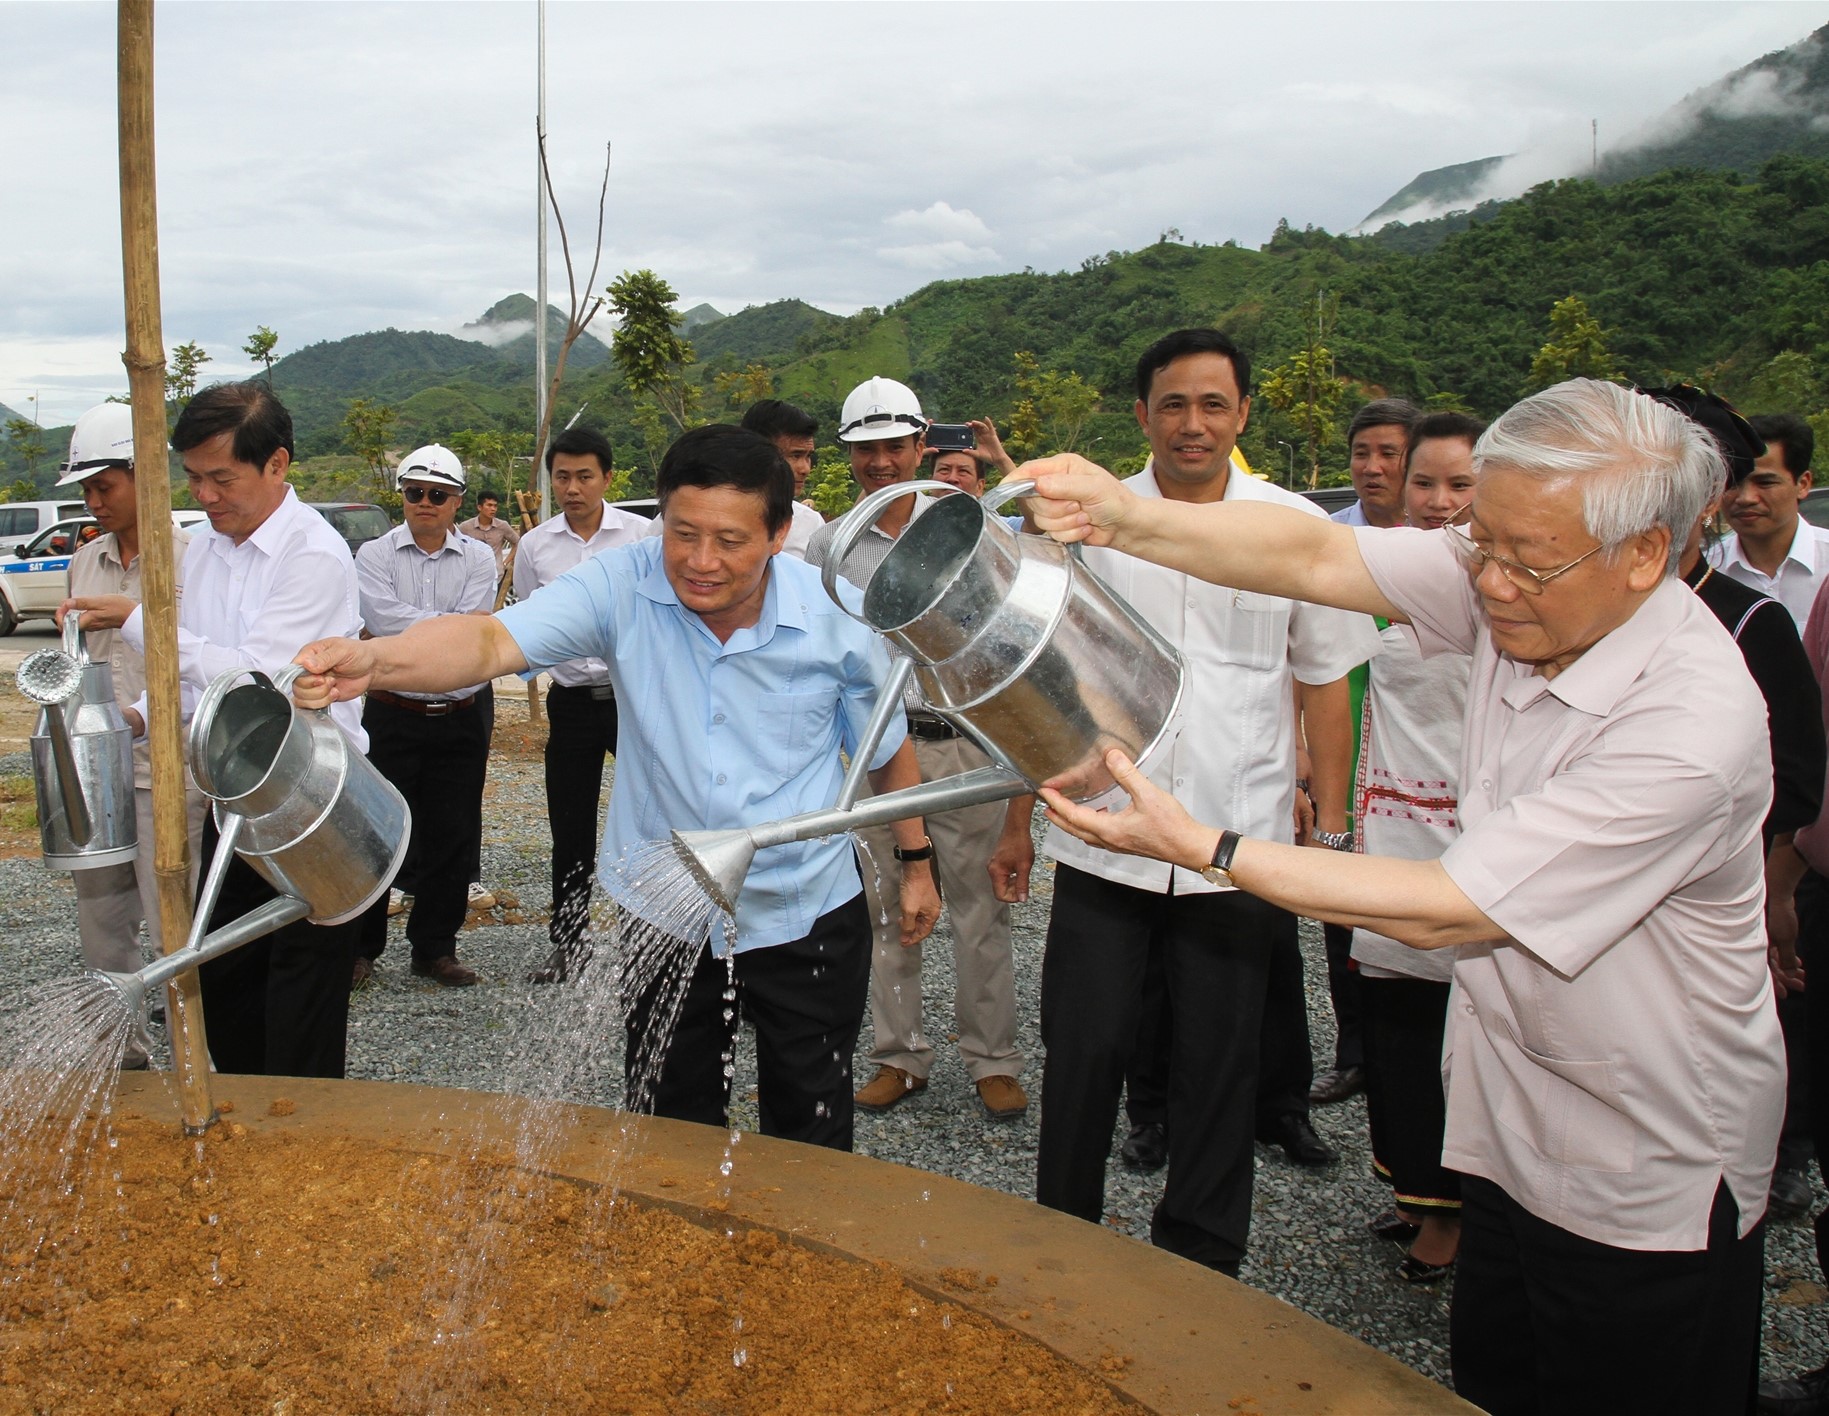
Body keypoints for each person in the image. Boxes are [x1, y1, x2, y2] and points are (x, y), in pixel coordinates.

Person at [1029, 377, 1782, 1414]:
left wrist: (1203, 844)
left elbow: (1452, 905)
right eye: (1480, 543)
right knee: (1497, 1378)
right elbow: (1314, 554)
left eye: (1525, 561)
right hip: (1518, 1118)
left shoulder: (1688, 725)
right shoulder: (1521, 569)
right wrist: (1121, 515)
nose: (1489, 582)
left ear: (1644, 555)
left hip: (1641, 1156)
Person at [292, 424, 941, 1151]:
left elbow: (884, 746)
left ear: (779, 533)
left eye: (729, 541)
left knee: (810, 1117)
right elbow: (488, 641)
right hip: (667, 902)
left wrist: (915, 862)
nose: (699, 562)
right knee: (668, 1113)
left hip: (805, 906)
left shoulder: (838, 614)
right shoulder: (621, 582)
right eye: (682, 532)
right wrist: (374, 661)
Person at [1030, 329, 1379, 1275]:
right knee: (1085, 1052)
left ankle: (1201, 1262)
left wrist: (1334, 826)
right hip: (1105, 841)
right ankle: (1060, 1246)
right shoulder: (1081, 522)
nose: (1193, 424)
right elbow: (1040, 669)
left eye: (1213, 404)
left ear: (1242, 415)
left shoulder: (1294, 526)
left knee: (1221, 1066)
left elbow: (1325, 682)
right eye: (1173, 405)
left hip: (1237, 840)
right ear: (1141, 415)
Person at [69, 380, 365, 1079]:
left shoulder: (312, 555)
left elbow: (262, 687)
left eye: (221, 478)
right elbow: (187, 681)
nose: (204, 496)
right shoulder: (202, 551)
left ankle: (300, 1146)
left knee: (299, 1001)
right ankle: (238, 1125)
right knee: (228, 982)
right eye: (194, 478)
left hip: (316, 806)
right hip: (233, 804)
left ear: (277, 465)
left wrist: (136, 621)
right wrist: (131, 720)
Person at [807, 379, 1036, 1122]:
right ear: (849, 455)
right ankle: (897, 1056)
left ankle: (991, 1059)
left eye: (892, 446)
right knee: (884, 908)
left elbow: (1006, 648)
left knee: (978, 910)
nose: (879, 461)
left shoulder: (973, 530)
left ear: (918, 447)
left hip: (963, 745)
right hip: (878, 752)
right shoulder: (830, 546)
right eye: (864, 449)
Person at [1651, 387, 1825, 1226]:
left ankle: (1770, 1162)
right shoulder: (1572, 611)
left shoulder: (1750, 620)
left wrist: (1762, 874)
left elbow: (1795, 773)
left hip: (1712, 893)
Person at [1350, 410, 1485, 1286]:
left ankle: (1460, 1218)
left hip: (1471, 840)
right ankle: (1412, 1191)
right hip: (1388, 829)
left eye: (1459, 486)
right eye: (1423, 484)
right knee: (1393, 1032)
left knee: (1462, 1037)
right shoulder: (1382, 575)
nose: (1437, 502)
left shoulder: (1514, 589)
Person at [53, 402, 205, 1068]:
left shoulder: (194, 561)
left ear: (145, 475)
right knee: (104, 924)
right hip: (96, 776)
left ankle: (193, 1054)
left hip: (167, 773)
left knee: (176, 918)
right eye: (85, 490)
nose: (93, 502)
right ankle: (122, 1050)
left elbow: (201, 664)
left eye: (103, 486)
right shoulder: (85, 562)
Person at [1310, 397, 1423, 1107]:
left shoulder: (1447, 544)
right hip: (1346, 758)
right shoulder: (1325, 545)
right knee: (1339, 910)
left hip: (1422, 769)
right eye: (1361, 453)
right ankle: (1355, 1050)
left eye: (1388, 453)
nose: (1372, 467)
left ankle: (1415, 1053)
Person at [351, 444, 499, 989]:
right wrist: (447, 629)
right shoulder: (374, 556)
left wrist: (418, 633)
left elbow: (473, 628)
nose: (425, 503)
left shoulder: (481, 558)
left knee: (453, 830)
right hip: (393, 710)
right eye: (415, 492)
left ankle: (435, 948)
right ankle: (360, 948)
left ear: (457, 501)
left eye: (438, 494)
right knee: (375, 831)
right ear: (403, 496)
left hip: (462, 711)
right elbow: (381, 617)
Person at [513, 427, 650, 982]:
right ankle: (569, 945)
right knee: (569, 827)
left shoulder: (642, 536)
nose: (572, 488)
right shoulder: (535, 545)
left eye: (584, 476)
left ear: (608, 478)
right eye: (562, 477)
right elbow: (529, 617)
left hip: (633, 702)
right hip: (570, 703)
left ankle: (649, 940)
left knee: (649, 819)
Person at [1713, 412, 1829, 631]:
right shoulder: (1708, 572)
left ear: (1803, 484)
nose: (1746, 498)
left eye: (1765, 482)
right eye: (1733, 482)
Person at [740, 399, 826, 558]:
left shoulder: (812, 525)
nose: (805, 469)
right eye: (795, 455)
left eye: (808, 456)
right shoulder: (715, 516)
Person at [458, 488, 520, 580]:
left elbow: (517, 543)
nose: (493, 509)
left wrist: (505, 563)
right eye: (489, 505)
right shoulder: (465, 527)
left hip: (496, 576)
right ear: (479, 507)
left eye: (495, 506)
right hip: (472, 576)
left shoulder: (502, 526)